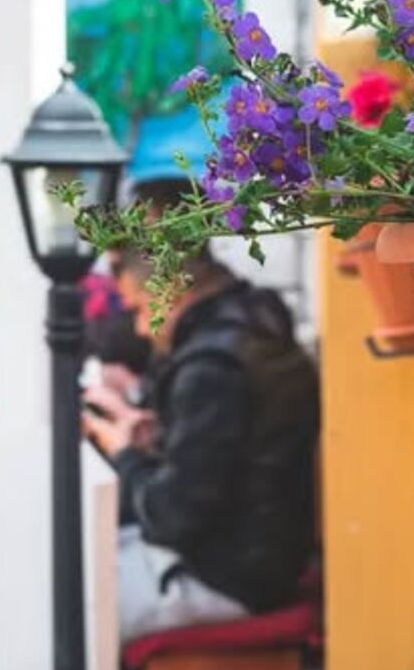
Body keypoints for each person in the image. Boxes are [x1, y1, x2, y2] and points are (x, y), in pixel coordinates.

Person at [82, 238, 320, 640]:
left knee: (69, 604)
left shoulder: (210, 369)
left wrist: (124, 453)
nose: (140, 328)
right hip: (262, 554)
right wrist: (156, 437)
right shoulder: (250, 327)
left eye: (139, 310)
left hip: (231, 576)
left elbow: (170, 518)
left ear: (169, 293)